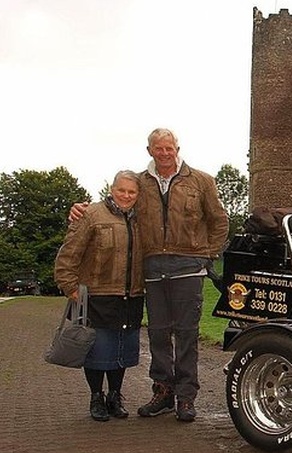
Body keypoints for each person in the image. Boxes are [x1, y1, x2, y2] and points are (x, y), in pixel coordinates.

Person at [71, 128, 229, 422]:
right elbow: (119, 203)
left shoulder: (202, 181)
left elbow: (219, 220)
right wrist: (82, 210)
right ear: (150, 151)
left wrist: (207, 253)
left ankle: (185, 397)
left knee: (186, 334)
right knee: (157, 333)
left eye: (169, 148)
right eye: (159, 149)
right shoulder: (141, 183)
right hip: (153, 267)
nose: (165, 153)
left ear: (177, 148)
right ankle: (163, 390)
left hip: (188, 266)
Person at [55, 170, 145, 421]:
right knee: (96, 351)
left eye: (132, 191)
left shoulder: (142, 219)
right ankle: (96, 396)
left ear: (138, 194)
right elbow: (69, 253)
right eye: (121, 190)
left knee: (121, 351)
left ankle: (115, 396)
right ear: (112, 189)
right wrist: (69, 286)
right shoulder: (91, 215)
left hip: (131, 295)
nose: (126, 196)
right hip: (96, 294)